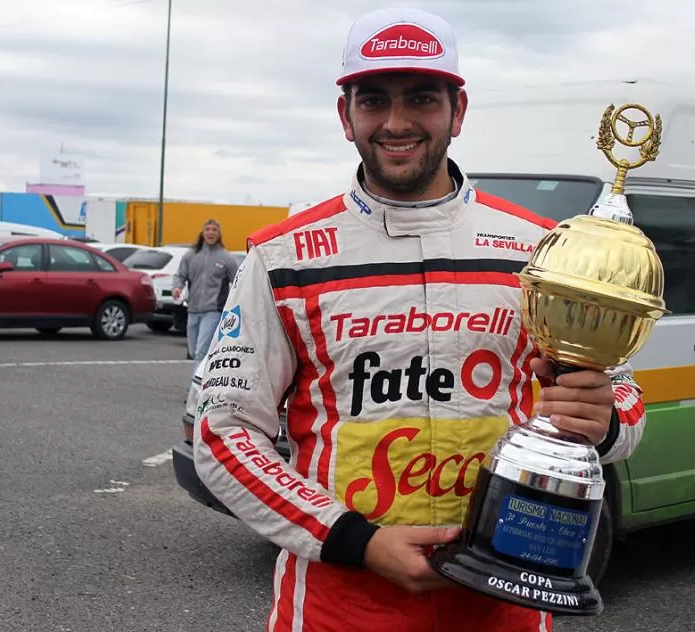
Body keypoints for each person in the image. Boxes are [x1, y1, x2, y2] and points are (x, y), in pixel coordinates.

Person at [193, 7, 648, 631]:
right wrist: (355, 540)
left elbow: (623, 392)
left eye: (422, 98)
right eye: (374, 99)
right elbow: (222, 433)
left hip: (505, 608)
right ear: (345, 114)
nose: (397, 122)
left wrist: (604, 417)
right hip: (340, 606)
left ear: (457, 112)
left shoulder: (543, 251)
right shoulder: (282, 257)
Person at [171, 219, 239, 382]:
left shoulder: (226, 258)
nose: (210, 232)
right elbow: (180, 275)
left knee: (201, 351)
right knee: (194, 351)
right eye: (208, 229)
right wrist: (177, 287)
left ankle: (194, 390)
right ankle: (207, 381)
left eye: (214, 230)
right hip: (193, 309)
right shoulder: (191, 256)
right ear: (203, 232)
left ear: (219, 233)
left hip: (213, 311)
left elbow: (238, 281)